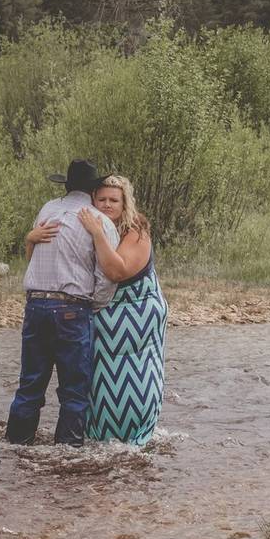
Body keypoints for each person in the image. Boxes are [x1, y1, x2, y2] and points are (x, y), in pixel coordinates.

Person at [5, 159, 120, 447]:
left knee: (29, 385)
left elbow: (35, 256)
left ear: (66, 186)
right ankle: (67, 455)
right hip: (72, 309)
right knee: (74, 392)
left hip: (36, 305)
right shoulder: (101, 222)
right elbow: (106, 277)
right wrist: (92, 307)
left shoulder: (47, 209)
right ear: (94, 190)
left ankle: (15, 446)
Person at [78, 175, 168, 446]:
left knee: (138, 384)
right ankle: (99, 437)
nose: (107, 205)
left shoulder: (136, 231)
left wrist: (96, 233)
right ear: (93, 200)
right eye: (101, 199)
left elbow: (117, 270)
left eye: (113, 200)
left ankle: (136, 439)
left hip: (137, 317)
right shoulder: (91, 224)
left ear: (124, 202)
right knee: (98, 382)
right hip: (104, 318)